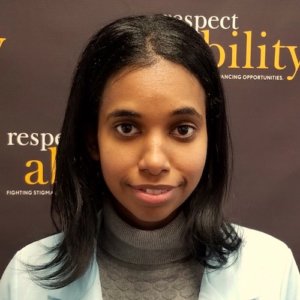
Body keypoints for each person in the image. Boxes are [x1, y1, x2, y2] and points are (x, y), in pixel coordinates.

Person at [0, 14, 299, 300]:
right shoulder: (25, 278)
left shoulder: (272, 270)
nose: (154, 162)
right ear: (93, 140)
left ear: (210, 137)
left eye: (182, 129)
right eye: (127, 128)